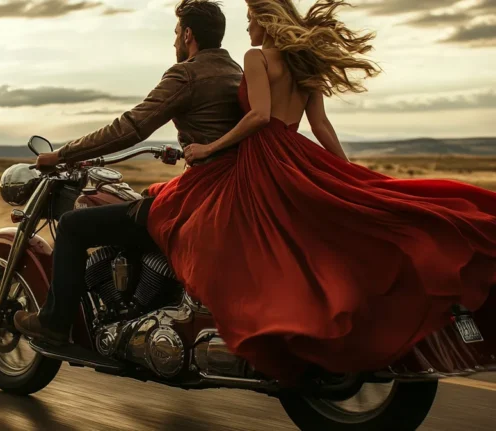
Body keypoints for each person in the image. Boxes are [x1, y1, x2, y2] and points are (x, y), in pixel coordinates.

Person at [145, 0, 496, 384]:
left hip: (265, 160)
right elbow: (322, 126)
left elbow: (260, 116)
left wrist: (209, 149)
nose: (247, 30)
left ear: (265, 20)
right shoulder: (304, 62)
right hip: (296, 152)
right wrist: (348, 175)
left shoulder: (256, 57)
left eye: (249, 21)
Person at [14, 0, 244, 344]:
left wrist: (63, 153)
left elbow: (130, 127)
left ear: (188, 34)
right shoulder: (235, 72)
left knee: (75, 226)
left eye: (176, 33)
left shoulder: (187, 74)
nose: (174, 42)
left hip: (201, 197)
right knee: (144, 203)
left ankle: (55, 322)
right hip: (229, 194)